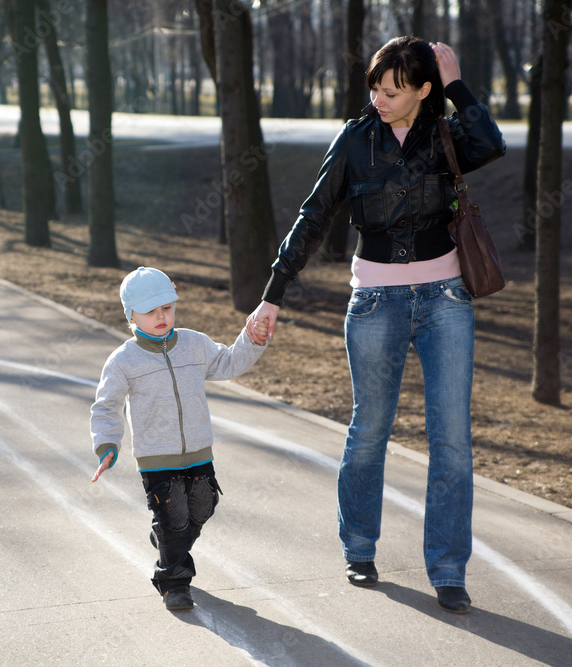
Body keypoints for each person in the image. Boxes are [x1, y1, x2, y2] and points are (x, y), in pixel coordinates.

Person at [245, 37, 505, 614]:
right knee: (370, 431)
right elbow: (313, 214)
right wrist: (273, 293)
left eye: (393, 90)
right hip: (375, 303)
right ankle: (359, 547)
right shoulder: (355, 139)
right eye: (374, 87)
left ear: (422, 90)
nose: (379, 99)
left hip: (445, 299)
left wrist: (458, 82)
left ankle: (447, 569)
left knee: (452, 441)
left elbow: (491, 142)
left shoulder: (445, 136)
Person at [91, 267, 269, 612]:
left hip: (199, 451)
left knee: (203, 506)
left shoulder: (194, 343)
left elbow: (229, 363)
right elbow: (106, 405)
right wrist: (106, 444)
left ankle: (166, 542)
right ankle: (173, 582)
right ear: (131, 315)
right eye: (150, 311)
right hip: (156, 457)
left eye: (167, 308)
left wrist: (252, 338)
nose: (161, 317)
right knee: (174, 517)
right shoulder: (123, 360)